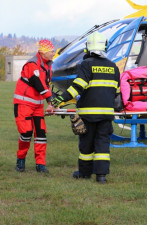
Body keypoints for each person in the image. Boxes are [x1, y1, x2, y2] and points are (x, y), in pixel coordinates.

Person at [51, 32, 120, 184]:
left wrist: (60, 99)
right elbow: (117, 93)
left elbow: (77, 87)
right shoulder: (113, 66)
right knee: (102, 145)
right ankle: (101, 176)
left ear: (88, 48)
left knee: (86, 145)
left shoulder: (86, 64)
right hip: (106, 115)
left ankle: (84, 173)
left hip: (88, 114)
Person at [14, 39, 55, 173]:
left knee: (41, 135)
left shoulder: (48, 64)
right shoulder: (32, 64)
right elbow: (38, 84)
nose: (53, 53)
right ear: (43, 52)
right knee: (26, 133)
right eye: (51, 51)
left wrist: (53, 102)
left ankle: (40, 165)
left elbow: (47, 84)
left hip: (37, 105)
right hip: (23, 104)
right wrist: (50, 100)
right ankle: (20, 160)